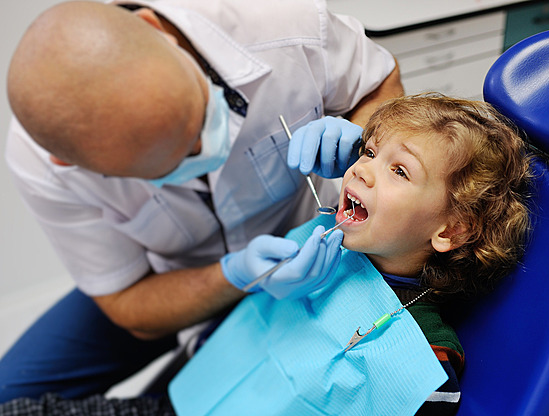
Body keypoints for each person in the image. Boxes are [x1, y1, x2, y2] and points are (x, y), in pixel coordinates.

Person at [0, 93, 534, 415]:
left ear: (451, 230)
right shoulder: (315, 240)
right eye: (369, 150)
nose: (361, 168)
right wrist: (244, 280)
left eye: (399, 170)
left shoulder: (429, 363)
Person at [1, 0, 404, 402]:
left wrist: (366, 136)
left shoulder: (283, 24)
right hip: (170, 276)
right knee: (9, 397)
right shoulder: (42, 162)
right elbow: (126, 301)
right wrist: (234, 275)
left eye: (197, 120)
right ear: (68, 162)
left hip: (297, 236)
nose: (204, 152)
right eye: (166, 169)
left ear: (154, 28)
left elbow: (378, 81)